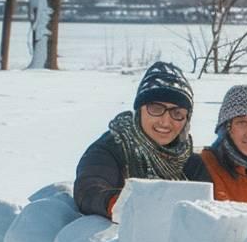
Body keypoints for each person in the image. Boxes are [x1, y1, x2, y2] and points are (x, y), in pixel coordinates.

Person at [74, 60, 211, 218]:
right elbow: (90, 190)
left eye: (177, 113)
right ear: (139, 110)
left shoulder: (190, 162)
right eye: (156, 109)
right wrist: (124, 204)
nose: (166, 122)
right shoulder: (112, 148)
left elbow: (207, 209)